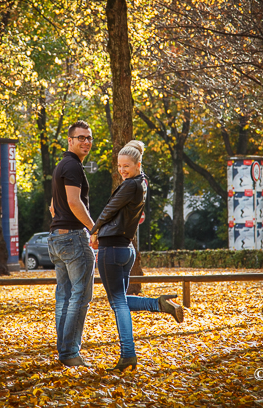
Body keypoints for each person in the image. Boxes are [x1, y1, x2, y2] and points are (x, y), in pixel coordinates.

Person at [89, 140, 184, 372]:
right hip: (125, 249)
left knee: (118, 303)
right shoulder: (140, 183)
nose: (122, 170)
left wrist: (94, 230)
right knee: (120, 299)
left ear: (138, 164)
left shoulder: (132, 185)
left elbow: (110, 209)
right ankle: (159, 304)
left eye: (127, 166)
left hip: (112, 249)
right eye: (119, 166)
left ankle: (128, 355)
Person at [48, 120, 97, 367]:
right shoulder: (73, 166)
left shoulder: (61, 167)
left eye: (89, 138)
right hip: (74, 239)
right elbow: (75, 202)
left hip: (57, 238)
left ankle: (65, 352)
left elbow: (52, 206)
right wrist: (94, 229)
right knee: (79, 297)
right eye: (81, 138)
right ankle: (69, 354)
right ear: (70, 140)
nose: (86, 142)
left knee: (65, 297)